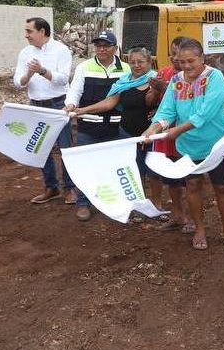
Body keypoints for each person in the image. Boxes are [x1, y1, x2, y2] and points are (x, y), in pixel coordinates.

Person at [141, 38, 224, 250]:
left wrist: (176, 131)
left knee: (221, 187)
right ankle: (200, 229)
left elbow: (206, 112)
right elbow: (167, 110)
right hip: (189, 146)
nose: (186, 66)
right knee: (193, 186)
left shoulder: (215, 77)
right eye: (182, 62)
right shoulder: (176, 81)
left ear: (202, 58)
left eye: (191, 61)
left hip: (217, 145)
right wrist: (154, 128)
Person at [73, 46, 159, 223]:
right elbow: (109, 103)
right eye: (133, 62)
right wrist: (82, 110)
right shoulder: (123, 81)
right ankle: (136, 206)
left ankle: (155, 207)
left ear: (149, 63)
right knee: (132, 172)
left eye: (141, 62)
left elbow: (159, 104)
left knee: (153, 172)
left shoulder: (157, 80)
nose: (136, 65)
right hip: (126, 134)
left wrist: (158, 92)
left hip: (151, 135)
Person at [65, 30, 128, 221]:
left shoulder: (126, 69)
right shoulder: (85, 67)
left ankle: (112, 201)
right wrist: (71, 104)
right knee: (86, 166)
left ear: (114, 48)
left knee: (115, 167)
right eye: (98, 45)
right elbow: (75, 91)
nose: (101, 49)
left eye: (106, 45)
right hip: (89, 128)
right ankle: (83, 203)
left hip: (116, 127)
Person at [13, 17, 77, 205]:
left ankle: (69, 187)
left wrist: (42, 71)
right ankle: (51, 187)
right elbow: (17, 82)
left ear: (42, 32)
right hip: (36, 106)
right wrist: (29, 74)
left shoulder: (61, 50)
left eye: (29, 31)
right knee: (40, 148)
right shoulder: (25, 53)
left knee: (65, 147)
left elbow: (63, 79)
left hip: (59, 105)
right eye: (26, 31)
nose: (26, 35)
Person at [148, 37, 191, 232]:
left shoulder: (192, 75)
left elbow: (185, 98)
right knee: (171, 177)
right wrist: (153, 90)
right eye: (172, 53)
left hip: (185, 133)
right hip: (166, 132)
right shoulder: (164, 72)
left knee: (190, 178)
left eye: (179, 54)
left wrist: (162, 88)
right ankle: (178, 215)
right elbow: (151, 101)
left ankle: (192, 219)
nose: (175, 58)